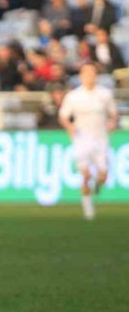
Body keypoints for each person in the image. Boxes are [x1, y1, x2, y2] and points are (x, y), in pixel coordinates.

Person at [58, 63, 117, 220]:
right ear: (81, 76)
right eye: (86, 73)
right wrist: (70, 127)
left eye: (92, 73)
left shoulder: (105, 94)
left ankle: (98, 183)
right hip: (82, 138)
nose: (90, 76)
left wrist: (112, 123)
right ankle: (88, 209)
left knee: (103, 176)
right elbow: (63, 116)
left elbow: (114, 114)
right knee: (85, 174)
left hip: (100, 138)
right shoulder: (74, 96)